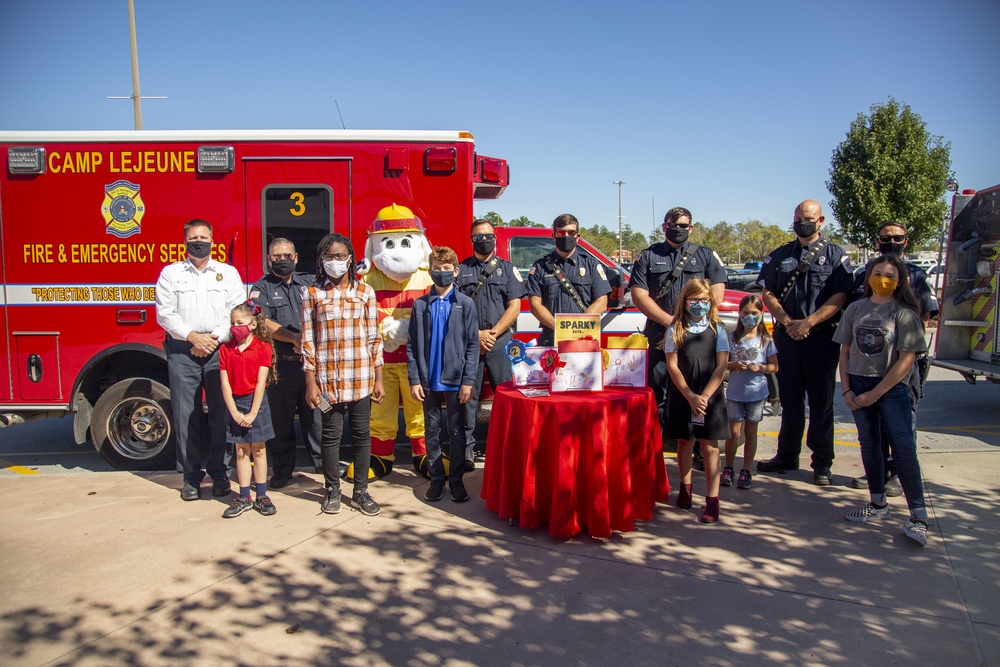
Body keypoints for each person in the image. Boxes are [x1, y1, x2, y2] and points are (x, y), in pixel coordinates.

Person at [757, 199, 855, 485]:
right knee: (789, 399)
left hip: (821, 338)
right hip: (787, 336)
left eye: (808, 218)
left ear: (820, 221)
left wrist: (809, 322)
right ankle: (786, 455)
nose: (802, 222)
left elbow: (841, 296)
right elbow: (768, 293)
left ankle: (822, 463)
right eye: (798, 217)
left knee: (821, 402)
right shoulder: (780, 255)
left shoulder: (836, 255)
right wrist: (788, 322)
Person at [835, 254, 930, 545]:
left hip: (892, 388)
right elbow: (844, 353)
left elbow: (906, 361)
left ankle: (918, 517)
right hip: (858, 384)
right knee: (870, 445)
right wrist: (848, 391)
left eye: (889, 275)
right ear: (868, 277)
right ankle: (878, 504)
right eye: (877, 274)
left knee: (903, 448)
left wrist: (876, 393)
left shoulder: (904, 313)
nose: (882, 280)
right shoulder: (854, 309)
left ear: (898, 281)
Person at [155, 219, 246, 501]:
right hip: (184, 349)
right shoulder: (170, 274)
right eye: (194, 237)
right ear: (185, 241)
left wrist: (214, 338)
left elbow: (237, 312)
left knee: (221, 414)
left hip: (219, 348)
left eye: (204, 237)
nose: (199, 241)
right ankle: (191, 477)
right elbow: (165, 314)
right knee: (187, 415)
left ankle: (220, 474)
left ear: (212, 240)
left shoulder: (227, 273)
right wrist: (193, 337)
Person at [849, 222, 939, 495]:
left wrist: (907, 350)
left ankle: (900, 473)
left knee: (902, 424)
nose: (892, 241)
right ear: (877, 242)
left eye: (897, 237)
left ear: (906, 241)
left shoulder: (916, 276)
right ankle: (878, 470)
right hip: (867, 365)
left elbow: (925, 314)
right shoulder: (864, 274)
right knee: (873, 426)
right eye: (886, 238)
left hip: (901, 365)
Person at [302, 233, 385, 516]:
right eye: (329, 256)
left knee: (362, 436)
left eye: (340, 256)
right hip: (328, 380)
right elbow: (308, 341)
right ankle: (332, 489)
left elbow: (374, 338)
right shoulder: (312, 293)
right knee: (331, 435)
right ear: (321, 260)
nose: (334, 261)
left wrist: (379, 377)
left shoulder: (365, 293)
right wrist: (310, 382)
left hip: (361, 377)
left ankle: (361, 491)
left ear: (350, 258)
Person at [629, 206, 728, 432]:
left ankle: (696, 446)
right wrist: (670, 322)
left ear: (691, 228)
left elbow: (717, 293)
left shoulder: (705, 255)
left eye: (683, 225)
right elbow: (639, 295)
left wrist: (689, 322)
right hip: (659, 331)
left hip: (698, 337)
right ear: (664, 227)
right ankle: (660, 445)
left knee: (695, 388)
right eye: (672, 225)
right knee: (657, 392)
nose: (677, 229)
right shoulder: (648, 256)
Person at [408, 246, 480, 503]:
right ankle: (437, 479)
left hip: (455, 380)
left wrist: (468, 381)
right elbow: (412, 346)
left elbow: (472, 344)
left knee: (457, 432)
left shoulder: (465, 304)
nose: (441, 273)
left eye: (446, 269)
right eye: (436, 269)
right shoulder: (420, 305)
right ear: (430, 272)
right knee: (431, 431)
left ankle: (457, 480)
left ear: (456, 271)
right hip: (428, 381)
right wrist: (415, 379)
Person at [250, 238, 323, 489]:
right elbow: (262, 322)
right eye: (276, 257)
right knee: (280, 422)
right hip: (280, 366)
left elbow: (323, 311)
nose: (282, 260)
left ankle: (324, 464)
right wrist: (294, 337)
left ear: (295, 257)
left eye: (286, 255)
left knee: (317, 416)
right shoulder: (261, 288)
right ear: (269, 259)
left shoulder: (309, 282)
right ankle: (282, 469)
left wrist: (310, 339)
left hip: (311, 366)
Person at [457, 219, 525, 470]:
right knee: (468, 397)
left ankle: (509, 446)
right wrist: (477, 334)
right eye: (478, 237)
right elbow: (455, 308)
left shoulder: (507, 270)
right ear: (471, 240)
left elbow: (515, 306)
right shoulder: (460, 269)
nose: (483, 240)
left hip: (500, 342)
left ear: (495, 239)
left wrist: (492, 334)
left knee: (506, 395)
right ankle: (467, 450)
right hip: (470, 342)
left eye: (487, 236)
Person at [664, 278, 730, 523]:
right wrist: (690, 396)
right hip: (684, 395)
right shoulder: (675, 328)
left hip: (709, 396)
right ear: (685, 301)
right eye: (695, 300)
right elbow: (673, 366)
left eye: (704, 300)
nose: (700, 305)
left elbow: (721, 365)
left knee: (710, 447)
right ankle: (685, 487)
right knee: (684, 442)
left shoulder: (717, 329)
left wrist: (704, 397)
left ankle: (712, 501)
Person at [219, 302, 278, 518]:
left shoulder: (263, 348)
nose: (235, 327)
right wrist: (234, 412)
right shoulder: (226, 349)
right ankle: (244, 496)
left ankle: (261, 494)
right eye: (233, 323)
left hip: (256, 403)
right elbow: (225, 383)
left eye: (240, 323)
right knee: (241, 450)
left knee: (259, 449)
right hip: (236, 403)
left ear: (252, 325)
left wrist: (253, 413)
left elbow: (261, 382)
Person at [525, 214, 611, 347]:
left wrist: (577, 328)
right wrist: (560, 328)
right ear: (554, 236)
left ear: (578, 237)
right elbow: (535, 304)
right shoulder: (540, 267)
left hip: (584, 338)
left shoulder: (591, 265)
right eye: (561, 232)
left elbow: (601, 302)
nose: (566, 236)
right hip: (551, 338)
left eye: (571, 232)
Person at [722, 294, 778, 490]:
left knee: (751, 431)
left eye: (754, 313)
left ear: (761, 315)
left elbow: (774, 367)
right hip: (736, 393)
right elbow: (722, 364)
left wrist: (760, 368)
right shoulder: (732, 338)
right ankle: (728, 467)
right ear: (739, 314)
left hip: (756, 394)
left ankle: (746, 469)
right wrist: (734, 365)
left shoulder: (765, 340)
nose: (750, 317)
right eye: (746, 313)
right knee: (733, 433)